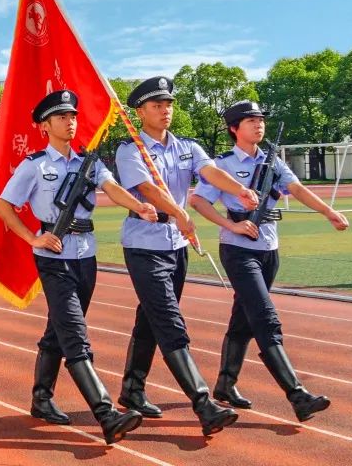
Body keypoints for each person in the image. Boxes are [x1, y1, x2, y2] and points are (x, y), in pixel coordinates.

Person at [0, 90, 152, 444]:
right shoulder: (35, 165)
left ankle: (41, 398)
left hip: (86, 256)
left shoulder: (89, 163)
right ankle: (106, 413)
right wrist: (33, 238)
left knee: (59, 331)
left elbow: (112, 189)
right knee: (75, 337)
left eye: (73, 116)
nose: (71, 122)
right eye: (62, 117)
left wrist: (140, 207)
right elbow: (4, 206)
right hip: (53, 259)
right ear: (45, 125)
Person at [114, 76, 260, 436]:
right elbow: (146, 188)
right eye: (156, 106)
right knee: (169, 323)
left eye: (169, 105)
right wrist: (178, 213)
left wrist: (240, 189)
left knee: (150, 319)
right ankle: (203, 403)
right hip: (144, 245)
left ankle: (132, 390)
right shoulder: (130, 150)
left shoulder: (187, 147)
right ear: (140, 111)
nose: (165, 111)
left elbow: (210, 171)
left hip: (176, 247)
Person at [190, 100, 347, 422]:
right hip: (238, 250)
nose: (258, 125)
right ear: (235, 128)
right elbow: (197, 200)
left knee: (244, 319)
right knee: (265, 318)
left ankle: (225, 384)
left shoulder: (272, 161)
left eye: (260, 119)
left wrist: (328, 212)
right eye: (250, 120)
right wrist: (230, 224)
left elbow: (297, 189)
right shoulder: (222, 165)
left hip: (268, 249)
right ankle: (297, 394)